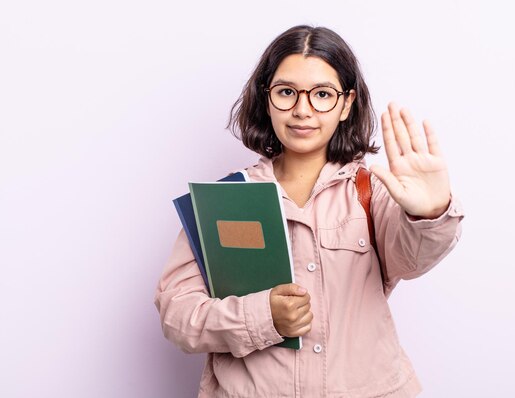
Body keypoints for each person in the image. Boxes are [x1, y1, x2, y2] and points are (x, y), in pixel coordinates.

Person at [155, 25, 464, 397]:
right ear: (266, 99)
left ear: (346, 104)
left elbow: (412, 260)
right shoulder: (225, 198)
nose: (303, 110)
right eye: (287, 92)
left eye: (322, 94)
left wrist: (430, 214)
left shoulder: (372, 191)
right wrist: (263, 317)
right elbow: (178, 315)